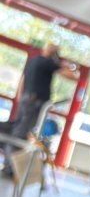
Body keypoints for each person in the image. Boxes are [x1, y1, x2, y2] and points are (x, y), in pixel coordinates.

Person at [1, 44, 79, 178]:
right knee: (20, 134)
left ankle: (9, 166)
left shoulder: (32, 61)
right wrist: (64, 65)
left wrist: (22, 100)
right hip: (34, 102)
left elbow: (21, 83)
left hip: (26, 99)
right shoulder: (47, 62)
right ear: (53, 54)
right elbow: (72, 76)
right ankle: (8, 169)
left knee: (17, 130)